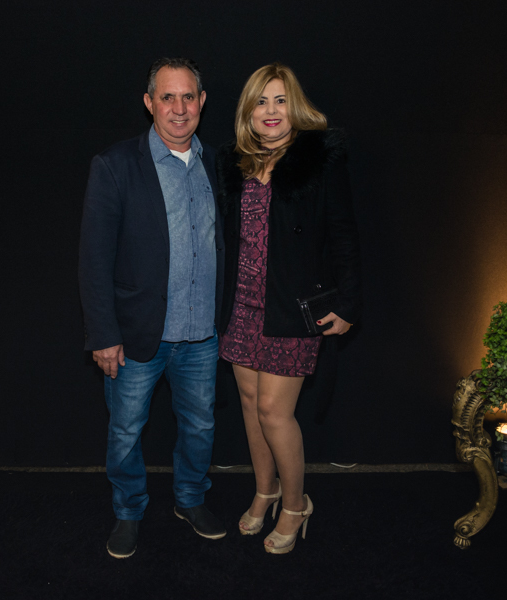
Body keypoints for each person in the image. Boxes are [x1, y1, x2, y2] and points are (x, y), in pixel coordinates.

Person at [78, 57, 225, 559]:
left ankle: (191, 500)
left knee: (200, 428)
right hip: (136, 335)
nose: (179, 108)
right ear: (149, 103)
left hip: (202, 335)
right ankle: (128, 512)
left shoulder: (217, 165)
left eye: (188, 97)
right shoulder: (115, 165)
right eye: (167, 97)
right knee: (124, 433)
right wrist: (103, 334)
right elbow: (93, 259)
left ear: (201, 102)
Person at [216, 63, 362, 554]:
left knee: (275, 412)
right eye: (261, 101)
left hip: (292, 307)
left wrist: (348, 303)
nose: (271, 111)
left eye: (280, 100)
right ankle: (266, 490)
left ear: (295, 106)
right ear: (248, 111)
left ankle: (297, 505)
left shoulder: (318, 161)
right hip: (242, 306)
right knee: (250, 404)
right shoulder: (235, 163)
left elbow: (344, 235)